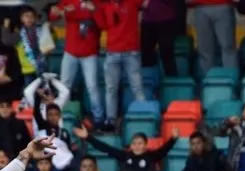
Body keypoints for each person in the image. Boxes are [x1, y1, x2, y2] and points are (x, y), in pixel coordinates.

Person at [50, 0, 104, 127]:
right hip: (71, 52)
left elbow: (103, 24)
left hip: (90, 53)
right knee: (64, 86)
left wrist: (93, 11)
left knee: (92, 87)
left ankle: (98, 118)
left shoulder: (97, 2)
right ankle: (60, 116)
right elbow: (53, 16)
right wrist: (55, 11)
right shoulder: (69, 1)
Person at [95, 0, 147, 131]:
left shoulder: (132, 2)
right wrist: (95, 10)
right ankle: (110, 120)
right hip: (112, 52)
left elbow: (146, 4)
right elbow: (102, 26)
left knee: (137, 86)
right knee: (111, 88)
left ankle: (143, 116)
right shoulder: (105, 5)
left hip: (131, 51)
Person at [141, 0, 179, 76]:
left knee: (167, 55)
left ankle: (171, 83)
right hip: (148, 20)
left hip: (166, 20)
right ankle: (150, 82)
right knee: (146, 55)